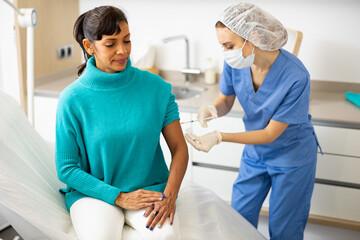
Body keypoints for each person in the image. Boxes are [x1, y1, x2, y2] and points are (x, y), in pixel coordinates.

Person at [185, 2, 320, 240]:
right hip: (255, 155)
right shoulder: (235, 64)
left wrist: (219, 137)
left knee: (284, 230)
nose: (226, 52)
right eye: (223, 46)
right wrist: (212, 109)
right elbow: (226, 101)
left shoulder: (296, 76)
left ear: (253, 37)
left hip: (291, 157)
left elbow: (270, 133)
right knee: (237, 219)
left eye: (229, 45)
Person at [55, 6, 188, 240]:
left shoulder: (156, 88)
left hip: (148, 189)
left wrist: (169, 197)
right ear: (89, 46)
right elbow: (66, 168)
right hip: (93, 194)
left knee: (166, 237)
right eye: (111, 44)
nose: (122, 51)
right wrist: (119, 197)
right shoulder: (72, 99)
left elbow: (179, 149)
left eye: (127, 41)